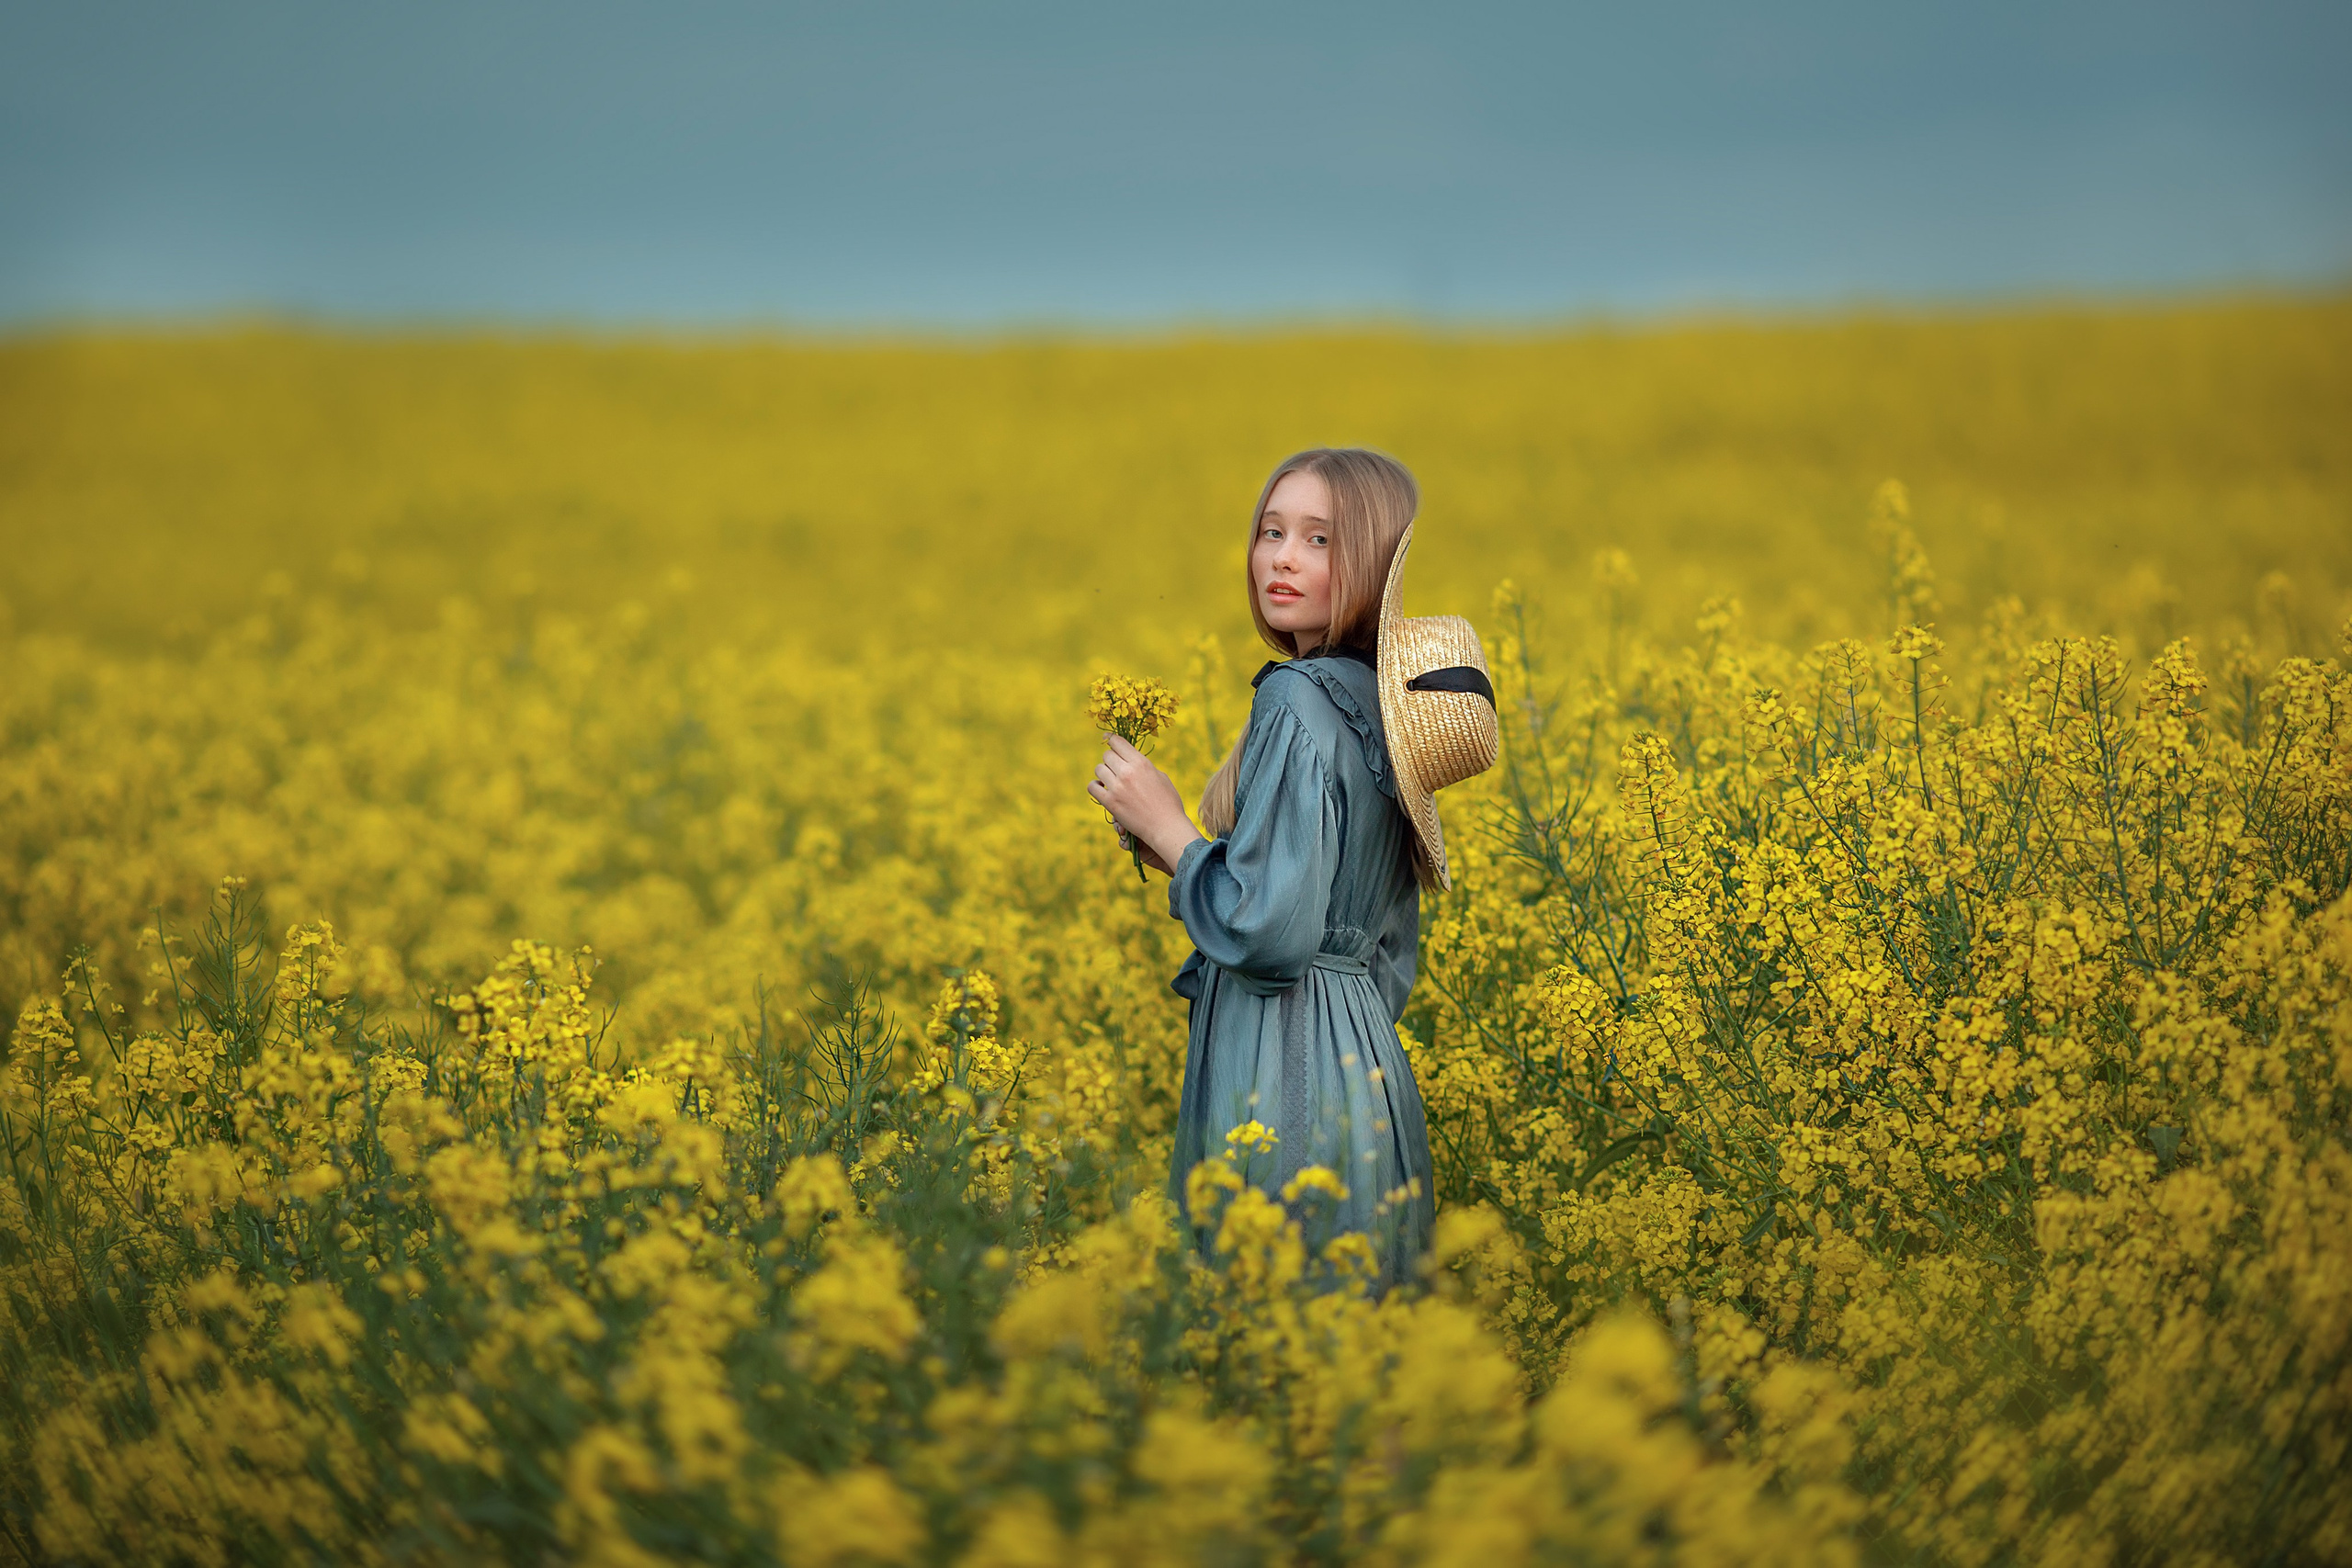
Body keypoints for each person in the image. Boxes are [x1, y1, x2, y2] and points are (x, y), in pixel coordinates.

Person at [1087, 446, 1499, 1292]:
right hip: (1369, 1075)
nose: (1282, 556)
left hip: (1285, 1063)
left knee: (1262, 1334)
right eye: (1271, 531)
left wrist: (1168, 828)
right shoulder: (1377, 714)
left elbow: (1268, 932)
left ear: (1371, 563)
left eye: (1319, 540)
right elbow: (1385, 955)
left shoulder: (1297, 698)